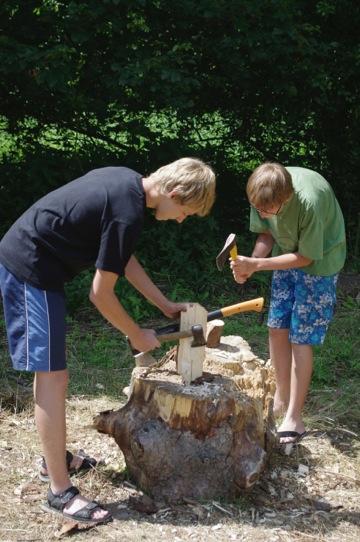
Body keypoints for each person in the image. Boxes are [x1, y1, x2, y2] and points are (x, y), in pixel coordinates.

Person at [0, 157, 216, 524]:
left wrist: (162, 304)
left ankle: (57, 460)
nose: (182, 221)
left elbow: (121, 257)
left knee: (54, 375)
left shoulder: (127, 185)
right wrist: (136, 334)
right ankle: (59, 490)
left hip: (40, 267)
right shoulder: (128, 211)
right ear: (174, 193)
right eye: (186, 212)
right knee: (52, 375)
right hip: (29, 268)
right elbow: (100, 294)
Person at [230, 163, 346, 445]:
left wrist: (258, 264)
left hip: (319, 263)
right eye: (257, 208)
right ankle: (281, 399)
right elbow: (267, 234)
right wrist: (250, 265)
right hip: (284, 256)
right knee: (276, 327)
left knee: (300, 338)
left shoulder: (309, 202)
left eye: (267, 210)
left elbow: (306, 257)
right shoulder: (263, 193)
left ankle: (295, 416)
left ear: (287, 198)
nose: (261, 213)